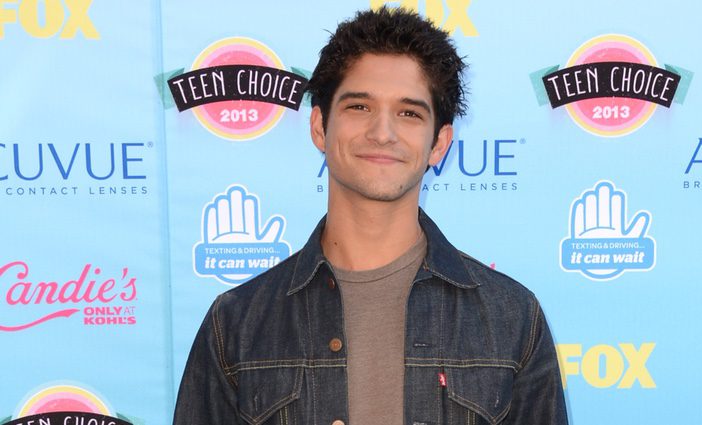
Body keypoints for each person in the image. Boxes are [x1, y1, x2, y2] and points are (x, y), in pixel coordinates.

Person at [173, 7, 567, 425]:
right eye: (359, 107)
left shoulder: (512, 318)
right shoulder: (236, 323)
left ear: (439, 144)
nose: (383, 132)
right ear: (320, 127)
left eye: (409, 113)